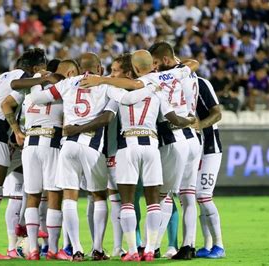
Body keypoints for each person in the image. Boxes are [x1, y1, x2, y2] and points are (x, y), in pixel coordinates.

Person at [25, 52, 164, 261]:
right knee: (99, 196)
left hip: (68, 146)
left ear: (81, 68)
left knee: (70, 198)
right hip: (92, 147)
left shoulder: (69, 83)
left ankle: (77, 249)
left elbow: (37, 98)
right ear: (99, 69)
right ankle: (98, 248)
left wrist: (41, 79)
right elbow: (127, 99)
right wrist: (152, 87)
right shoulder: (105, 85)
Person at [79, 42, 200, 260]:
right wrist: (190, 120)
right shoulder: (160, 86)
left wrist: (102, 80)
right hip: (152, 146)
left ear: (133, 69)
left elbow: (124, 99)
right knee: (155, 200)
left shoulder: (116, 90)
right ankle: (151, 249)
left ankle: (133, 251)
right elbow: (174, 117)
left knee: (126, 201)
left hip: (128, 146)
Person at [6, 59, 80, 260]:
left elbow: (11, 97)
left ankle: (33, 250)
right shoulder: (65, 88)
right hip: (51, 142)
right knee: (54, 195)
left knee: (32, 197)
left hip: (30, 144)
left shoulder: (33, 86)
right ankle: (54, 250)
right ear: (70, 72)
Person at [0, 50, 42, 260]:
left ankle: (18, 232)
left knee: (23, 168)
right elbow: (15, 87)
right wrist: (16, 130)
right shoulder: (19, 78)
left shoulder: (3, 75)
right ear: (35, 67)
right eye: (42, 68)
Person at [193, 77, 225, 259]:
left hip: (210, 148)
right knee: (195, 197)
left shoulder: (200, 83)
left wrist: (198, 125)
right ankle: (207, 245)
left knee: (204, 196)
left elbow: (217, 114)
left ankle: (219, 245)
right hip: (192, 149)